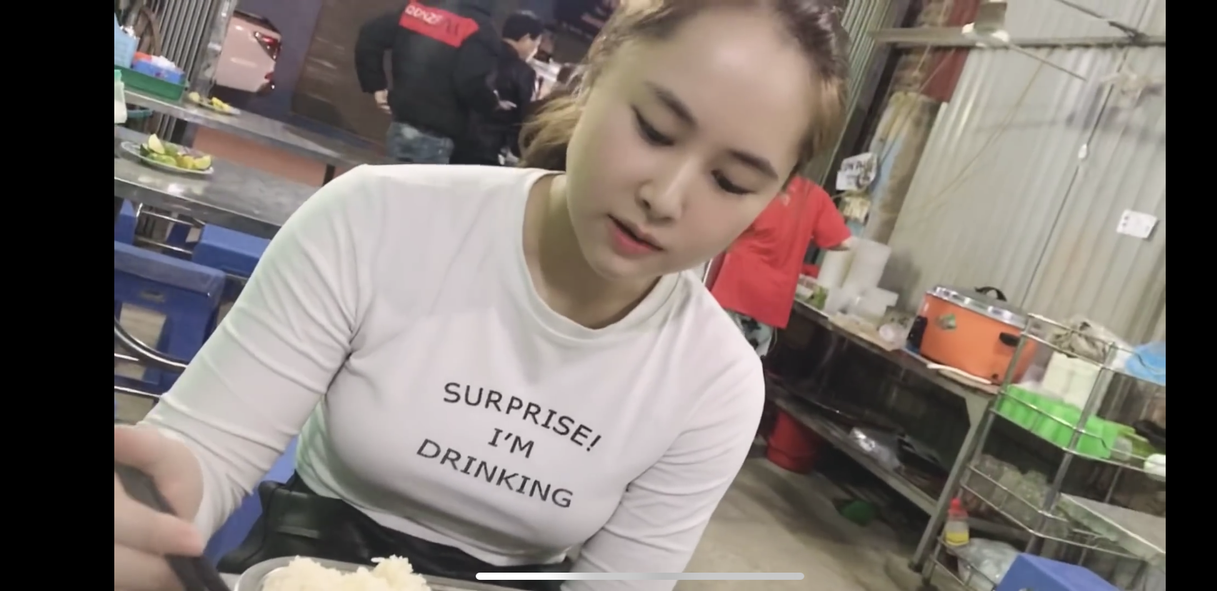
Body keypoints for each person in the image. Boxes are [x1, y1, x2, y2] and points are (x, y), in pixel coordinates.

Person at [112, 1, 852, 590]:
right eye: (655, 130)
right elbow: (205, 454)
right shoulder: (377, 220)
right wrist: (155, 515)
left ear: (773, 200)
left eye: (731, 181)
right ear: (595, 75)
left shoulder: (715, 382)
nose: (666, 197)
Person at [709, 175, 854, 356]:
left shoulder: (760, 182)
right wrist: (803, 234)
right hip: (770, 304)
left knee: (710, 355)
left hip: (733, 291)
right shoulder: (814, 194)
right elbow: (845, 243)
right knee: (744, 364)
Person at [354, 0, 508, 164]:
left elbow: (369, 36)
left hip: (401, 124)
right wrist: (492, 104)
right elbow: (470, 83)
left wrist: (376, 85)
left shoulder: (418, 10)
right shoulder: (479, 29)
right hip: (438, 137)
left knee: (392, 178)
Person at [452, 11, 546, 166]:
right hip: (487, 153)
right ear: (526, 38)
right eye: (536, 45)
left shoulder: (479, 54)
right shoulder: (524, 73)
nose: (534, 52)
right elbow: (525, 120)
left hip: (454, 141)